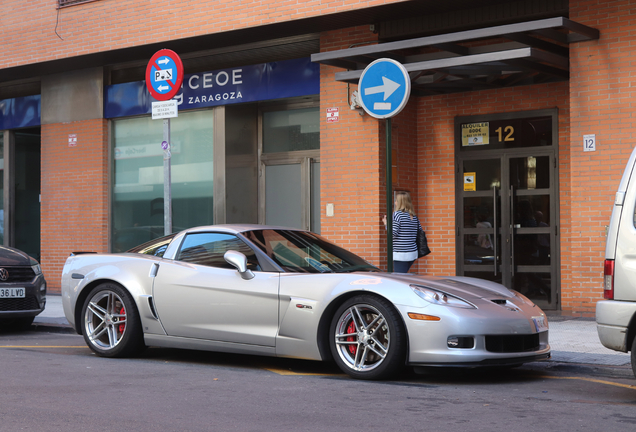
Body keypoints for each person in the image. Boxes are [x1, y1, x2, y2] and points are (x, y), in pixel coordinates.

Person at [382, 191, 424, 273]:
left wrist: (386, 224)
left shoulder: (397, 215)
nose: (395, 202)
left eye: (396, 200)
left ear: (400, 202)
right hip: (412, 252)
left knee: (399, 277)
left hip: (401, 253)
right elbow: (420, 231)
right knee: (403, 275)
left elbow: (393, 233)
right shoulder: (413, 216)